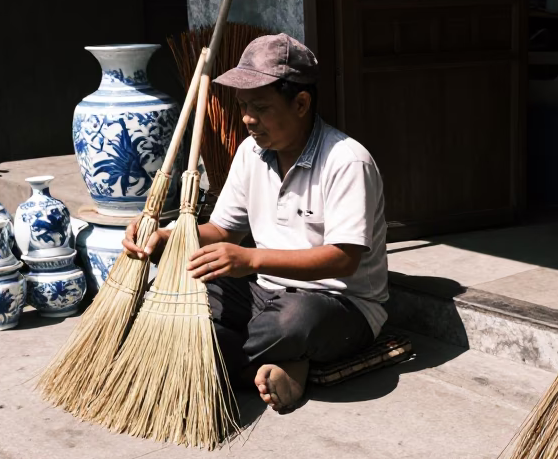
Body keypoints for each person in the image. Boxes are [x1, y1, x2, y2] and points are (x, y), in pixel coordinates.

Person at [123, 33, 388, 413]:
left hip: (338, 305)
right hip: (264, 294)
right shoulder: (251, 152)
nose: (248, 118)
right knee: (167, 294)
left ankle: (232, 354)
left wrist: (250, 260)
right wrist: (165, 237)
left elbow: (343, 260)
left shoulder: (346, 161)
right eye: (243, 105)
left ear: (300, 103)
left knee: (292, 324)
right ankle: (282, 367)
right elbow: (224, 232)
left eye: (260, 107)